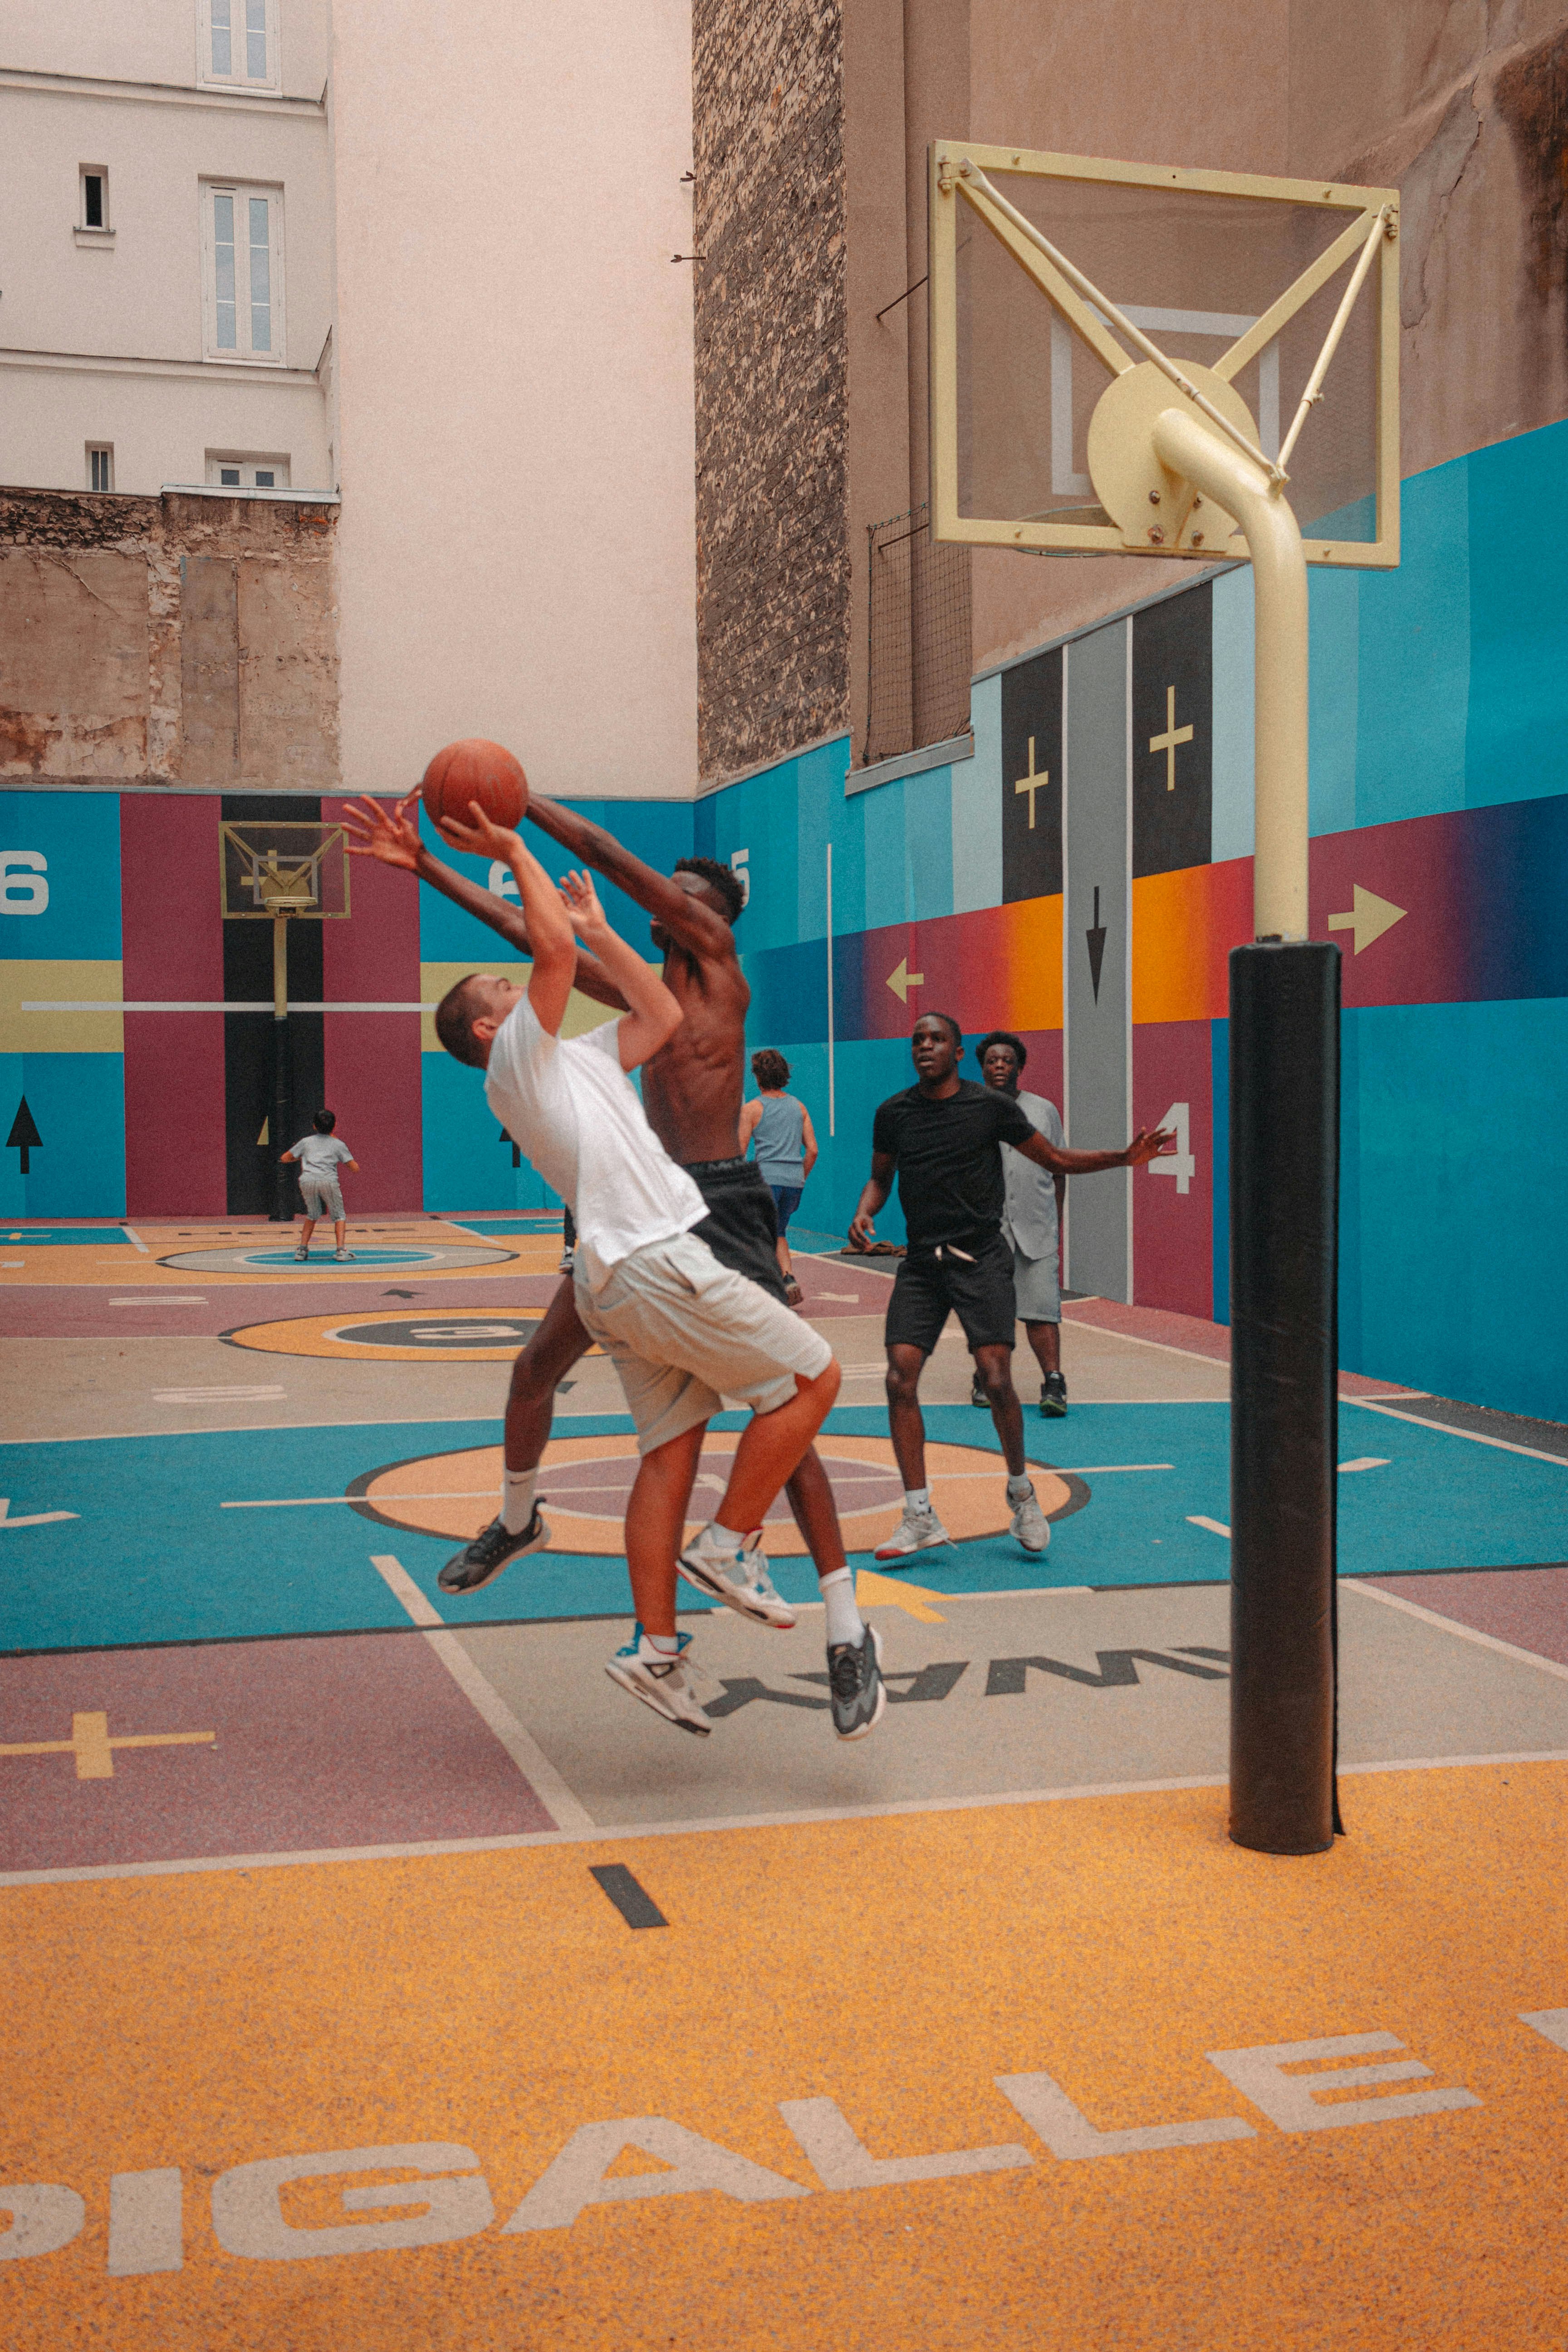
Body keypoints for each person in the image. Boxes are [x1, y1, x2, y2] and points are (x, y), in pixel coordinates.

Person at [343, 790, 887, 1744]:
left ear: (712, 915)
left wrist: (516, 811)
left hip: (709, 1208)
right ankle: (571, 1553)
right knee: (561, 1380)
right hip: (642, 1231)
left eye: (680, 894)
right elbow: (534, 935)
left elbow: (587, 882)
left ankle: (843, 1624)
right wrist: (431, 869)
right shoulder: (592, 1009)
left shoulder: (715, 968)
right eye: (658, 895)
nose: (660, 902)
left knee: (774, 1424)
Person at [849, 1013, 1172, 1562]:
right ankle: (919, 1513)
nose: (925, 1047)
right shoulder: (893, 1113)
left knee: (998, 1378)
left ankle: (1022, 1492)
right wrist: (865, 1210)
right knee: (900, 1378)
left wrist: (1124, 1157)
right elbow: (883, 1175)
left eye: (937, 1040)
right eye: (918, 1041)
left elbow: (1055, 1160)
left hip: (980, 1260)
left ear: (957, 1052)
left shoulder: (991, 1108)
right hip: (923, 1265)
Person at [973, 1031, 1069, 1419]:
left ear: (1019, 1067)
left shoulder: (1043, 1111)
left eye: (1007, 1061)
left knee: (1041, 1311)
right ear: (982, 1067)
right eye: (992, 1061)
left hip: (1036, 1228)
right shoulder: (969, 1108)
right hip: (986, 1231)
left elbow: (1059, 1167)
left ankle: (1054, 1382)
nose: (999, 1067)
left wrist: (1055, 1221)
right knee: (987, 1312)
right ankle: (986, 1377)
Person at [738, 1049, 817, 1307]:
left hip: (766, 1181)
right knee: (778, 1231)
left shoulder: (751, 1110)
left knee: (756, 1234)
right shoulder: (799, 1107)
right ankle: (787, 1278)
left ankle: (763, 1289)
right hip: (794, 1184)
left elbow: (739, 1154)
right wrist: (799, 1177)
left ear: (758, 1077)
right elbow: (813, 1151)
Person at [282, 1110, 358, 1263]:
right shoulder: (338, 1144)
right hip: (328, 1180)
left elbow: (285, 1158)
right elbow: (355, 1168)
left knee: (313, 1214)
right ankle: (341, 1250)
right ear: (335, 1126)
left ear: (314, 1126)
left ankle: (302, 1250)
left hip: (307, 1180)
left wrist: (305, 1159)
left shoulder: (306, 1142)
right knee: (339, 1216)